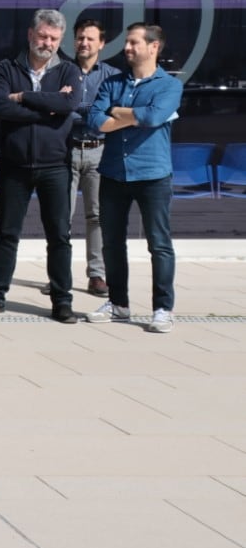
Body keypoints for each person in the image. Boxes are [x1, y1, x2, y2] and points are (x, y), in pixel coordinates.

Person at [0, 8, 84, 322]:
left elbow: (69, 105)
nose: (47, 42)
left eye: (54, 38)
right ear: (30, 34)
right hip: (15, 165)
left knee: (59, 236)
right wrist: (49, 109)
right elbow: (0, 107)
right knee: (7, 234)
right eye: (42, 35)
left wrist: (23, 96)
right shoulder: (5, 68)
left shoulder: (68, 70)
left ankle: (61, 301)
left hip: (55, 166)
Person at [86, 23, 183, 333]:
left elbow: (156, 117)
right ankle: (118, 303)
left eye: (133, 43)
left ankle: (163, 308)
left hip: (153, 175)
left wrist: (119, 112)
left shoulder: (169, 86)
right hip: (114, 172)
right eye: (126, 43)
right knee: (112, 244)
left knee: (159, 244)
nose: (126, 48)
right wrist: (133, 116)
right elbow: (95, 120)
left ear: (153, 47)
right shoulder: (112, 82)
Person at [52, 19, 115, 299]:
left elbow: (110, 114)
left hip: (99, 150)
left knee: (97, 216)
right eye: (79, 38)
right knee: (61, 216)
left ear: (101, 43)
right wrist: (89, 111)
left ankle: (97, 275)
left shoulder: (112, 76)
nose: (84, 43)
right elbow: (56, 109)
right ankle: (59, 276)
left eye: (90, 38)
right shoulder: (60, 72)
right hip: (65, 148)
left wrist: (76, 107)